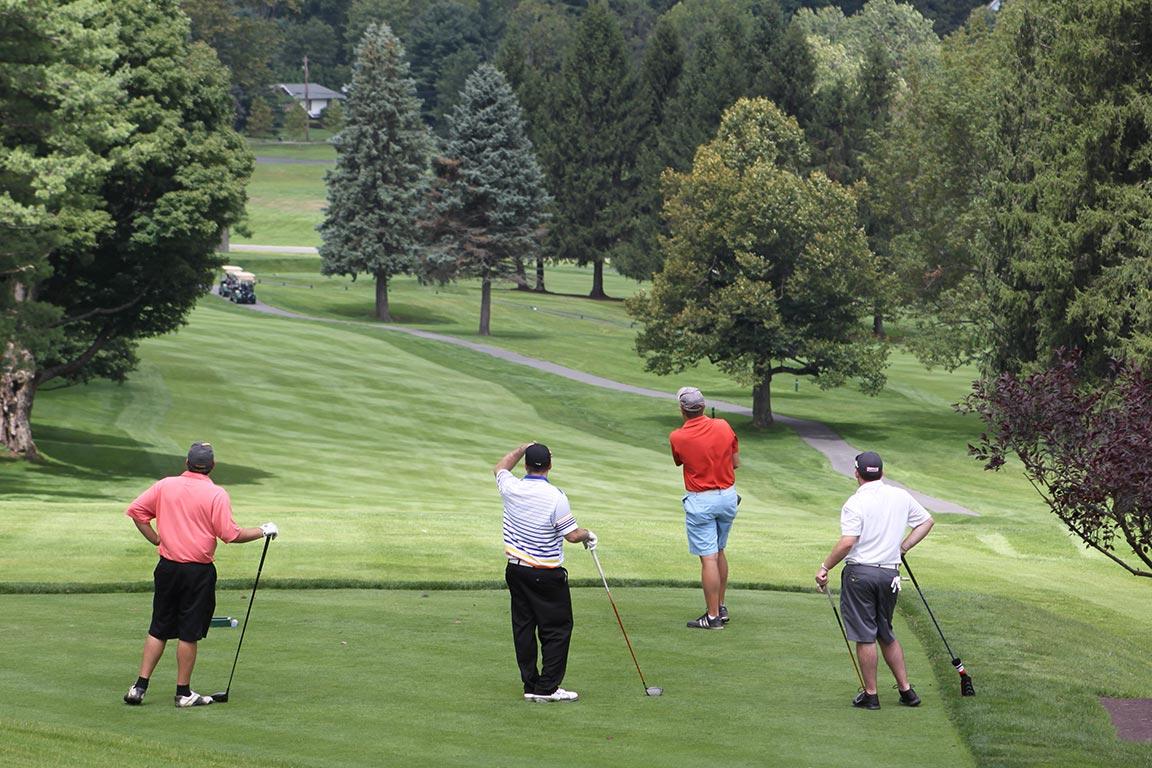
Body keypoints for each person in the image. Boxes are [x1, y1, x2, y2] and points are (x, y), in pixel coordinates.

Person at [122, 442, 278, 708]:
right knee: (188, 633)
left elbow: (137, 513)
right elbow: (231, 535)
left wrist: (157, 540)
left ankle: (139, 687)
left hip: (168, 567)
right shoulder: (216, 494)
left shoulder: (165, 485)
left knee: (158, 628)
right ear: (212, 466)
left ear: (186, 463)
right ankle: (183, 693)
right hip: (198, 572)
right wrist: (264, 530)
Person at [815, 451, 934, 709]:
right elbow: (926, 521)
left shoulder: (854, 503)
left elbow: (848, 542)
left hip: (861, 574)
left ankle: (871, 694)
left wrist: (825, 567)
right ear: (882, 472)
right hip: (890, 574)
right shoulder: (900, 495)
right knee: (885, 632)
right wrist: (902, 549)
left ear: (856, 473)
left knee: (865, 635)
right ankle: (907, 691)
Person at [495, 441, 596, 702]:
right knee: (556, 629)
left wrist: (520, 449)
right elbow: (572, 535)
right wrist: (588, 534)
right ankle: (548, 688)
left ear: (526, 464)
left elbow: (500, 468)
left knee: (524, 628)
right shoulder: (556, 497)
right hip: (546, 573)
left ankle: (531, 684)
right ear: (550, 465)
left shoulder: (511, 487)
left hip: (516, 571)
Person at [668, 386, 740, 629]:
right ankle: (720, 606)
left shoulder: (678, 436)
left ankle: (712, 618)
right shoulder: (723, 425)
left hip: (701, 499)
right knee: (719, 550)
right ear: (702, 405)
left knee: (708, 558)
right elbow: (735, 461)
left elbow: (680, 461)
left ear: (682, 408)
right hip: (728, 496)